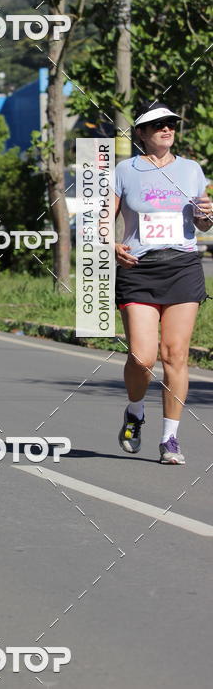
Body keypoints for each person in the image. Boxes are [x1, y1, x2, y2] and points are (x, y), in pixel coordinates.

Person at [115, 103, 212, 464]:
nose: (166, 129)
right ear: (141, 133)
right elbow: (102, 220)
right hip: (138, 267)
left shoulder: (191, 170)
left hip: (183, 266)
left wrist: (206, 217)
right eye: (157, 125)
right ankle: (135, 410)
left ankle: (170, 439)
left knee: (175, 355)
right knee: (142, 357)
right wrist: (112, 245)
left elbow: (201, 223)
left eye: (170, 124)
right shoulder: (125, 170)